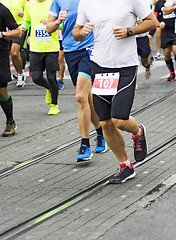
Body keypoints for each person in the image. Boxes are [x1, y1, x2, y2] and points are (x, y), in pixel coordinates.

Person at [73, 0, 158, 183]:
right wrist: (82, 31)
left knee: (119, 120)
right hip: (100, 67)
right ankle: (125, 165)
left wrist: (130, 31)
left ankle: (138, 131)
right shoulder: (86, 3)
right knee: (105, 123)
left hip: (125, 67)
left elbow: (152, 22)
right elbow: (76, 33)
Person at [47, 0, 107, 161]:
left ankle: (85, 145)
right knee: (86, 98)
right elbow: (48, 28)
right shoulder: (58, 1)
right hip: (70, 52)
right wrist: (58, 21)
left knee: (80, 97)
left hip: (90, 49)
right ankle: (100, 131)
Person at [22, 0, 60, 115]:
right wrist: (22, 28)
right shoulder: (29, 5)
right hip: (35, 48)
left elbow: (63, 24)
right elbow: (28, 22)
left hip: (51, 48)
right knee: (36, 78)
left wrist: (50, 23)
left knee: (51, 76)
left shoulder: (54, 4)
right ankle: (49, 88)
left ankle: (54, 104)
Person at [0, 3, 22, 136]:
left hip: (0, 55)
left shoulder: (2, 10)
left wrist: (2, 34)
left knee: (2, 92)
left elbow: (18, 32)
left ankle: (10, 121)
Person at [153, 0, 176, 81]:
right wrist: (159, 24)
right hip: (165, 32)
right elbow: (154, 18)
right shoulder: (159, 3)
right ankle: (172, 72)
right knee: (167, 54)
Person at [1, 0, 27, 88]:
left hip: (19, 27)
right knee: (6, 54)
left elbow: (29, 10)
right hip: (5, 29)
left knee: (14, 53)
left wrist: (24, 13)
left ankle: (20, 74)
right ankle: (5, 76)